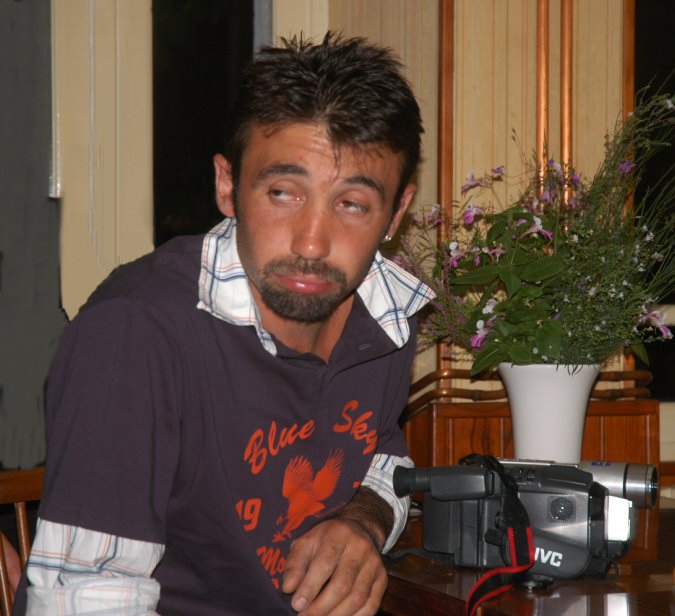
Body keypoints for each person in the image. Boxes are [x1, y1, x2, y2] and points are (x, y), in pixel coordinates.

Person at [16, 33, 433, 615]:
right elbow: (90, 601)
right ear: (228, 185)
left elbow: (385, 462)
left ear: (395, 213)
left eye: (352, 204)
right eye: (283, 193)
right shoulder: (134, 334)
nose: (313, 243)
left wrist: (363, 522)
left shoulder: (384, 317)